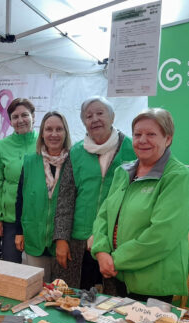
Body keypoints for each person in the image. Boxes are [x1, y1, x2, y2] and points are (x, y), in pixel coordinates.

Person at [91, 108, 189, 303]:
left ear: (168, 139)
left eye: (151, 134)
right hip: (116, 275)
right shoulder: (123, 172)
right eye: (137, 134)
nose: (142, 140)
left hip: (152, 283)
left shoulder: (178, 177)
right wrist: (101, 251)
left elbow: (162, 235)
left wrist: (114, 260)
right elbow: (103, 216)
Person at [53, 96, 137, 289]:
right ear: (83, 122)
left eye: (100, 113)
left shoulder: (132, 149)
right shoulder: (76, 152)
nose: (95, 119)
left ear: (113, 117)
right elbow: (65, 198)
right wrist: (61, 239)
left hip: (115, 240)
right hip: (78, 240)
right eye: (89, 116)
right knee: (76, 297)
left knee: (112, 299)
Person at [15, 112, 72, 282]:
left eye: (59, 129)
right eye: (48, 129)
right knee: (36, 288)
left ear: (66, 133)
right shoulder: (30, 161)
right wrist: (19, 231)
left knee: (61, 293)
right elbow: (20, 199)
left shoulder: (74, 161)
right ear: (42, 134)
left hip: (63, 242)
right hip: (34, 235)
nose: (53, 134)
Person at [0, 98, 39, 262]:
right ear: (10, 121)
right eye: (15, 117)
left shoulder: (43, 142)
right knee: (10, 266)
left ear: (33, 116)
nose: (20, 120)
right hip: (10, 217)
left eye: (24, 115)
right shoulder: (1, 146)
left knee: (39, 268)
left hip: (37, 217)